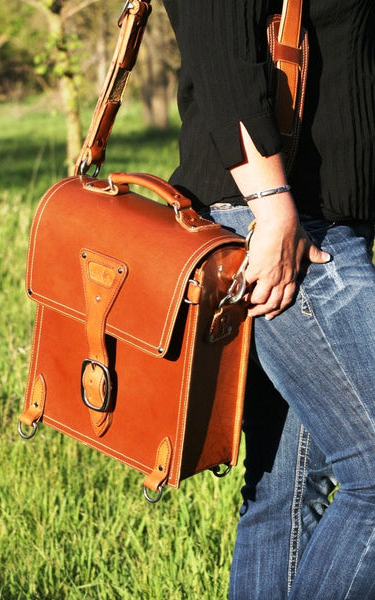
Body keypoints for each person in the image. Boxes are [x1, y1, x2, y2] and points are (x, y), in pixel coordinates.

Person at [161, 1, 375, 598]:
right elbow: (220, 40)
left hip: (319, 221)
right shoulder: (278, 216)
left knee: (285, 488)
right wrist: (275, 210)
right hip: (280, 224)